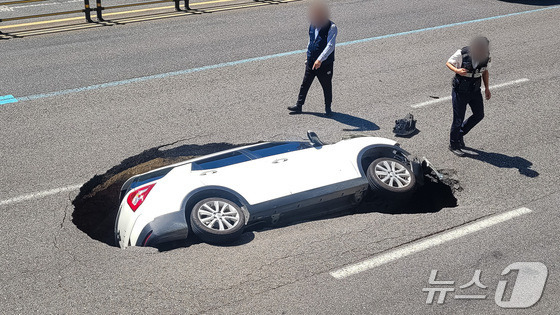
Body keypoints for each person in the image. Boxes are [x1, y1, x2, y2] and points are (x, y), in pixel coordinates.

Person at [288, 0, 337, 117]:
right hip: (311, 62)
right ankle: (299, 106)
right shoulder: (312, 25)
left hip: (324, 64)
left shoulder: (332, 27)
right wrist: (307, 55)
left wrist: (320, 60)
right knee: (305, 84)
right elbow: (310, 41)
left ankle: (328, 108)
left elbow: (330, 46)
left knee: (326, 86)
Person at [446, 37, 492, 157]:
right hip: (460, 91)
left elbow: (485, 71)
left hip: (475, 90)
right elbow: (449, 63)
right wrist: (457, 70)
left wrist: (487, 88)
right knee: (458, 119)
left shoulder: (486, 56)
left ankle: (460, 133)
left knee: (479, 115)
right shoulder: (463, 53)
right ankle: (454, 144)